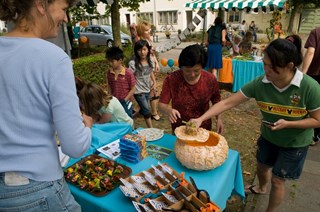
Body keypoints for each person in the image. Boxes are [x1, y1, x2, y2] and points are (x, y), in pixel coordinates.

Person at [190, 36, 320, 212]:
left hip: (294, 143)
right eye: (264, 63)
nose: (265, 69)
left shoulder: (309, 87)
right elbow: (228, 103)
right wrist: (200, 119)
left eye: (271, 66)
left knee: (278, 179)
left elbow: (317, 120)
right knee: (262, 167)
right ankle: (260, 187)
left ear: (290, 66)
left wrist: (289, 124)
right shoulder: (261, 83)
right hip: (269, 136)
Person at [0, 0, 93, 211]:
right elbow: (75, 146)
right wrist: (87, 125)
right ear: (41, 5)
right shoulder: (54, 58)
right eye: (64, 9)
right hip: (39, 189)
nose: (66, 18)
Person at [159, 44, 224, 134]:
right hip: (180, 129)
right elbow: (161, 105)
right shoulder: (172, 79)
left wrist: (219, 118)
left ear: (202, 67)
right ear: (181, 67)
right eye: (187, 71)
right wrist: (168, 110)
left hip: (203, 129)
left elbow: (217, 101)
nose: (192, 74)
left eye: (196, 71)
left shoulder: (210, 79)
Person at [136, 21, 161, 121]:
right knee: (152, 90)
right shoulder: (140, 43)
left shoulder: (149, 41)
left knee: (153, 90)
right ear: (142, 32)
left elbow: (152, 54)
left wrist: (156, 63)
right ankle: (151, 112)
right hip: (144, 70)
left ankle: (150, 111)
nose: (149, 31)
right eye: (146, 30)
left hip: (150, 67)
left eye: (149, 29)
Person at [129, 39, 156, 128]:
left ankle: (130, 117)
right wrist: (131, 90)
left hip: (147, 88)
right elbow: (129, 77)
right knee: (147, 110)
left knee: (142, 108)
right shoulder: (133, 63)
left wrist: (154, 83)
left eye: (144, 49)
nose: (142, 52)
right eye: (139, 50)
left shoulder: (151, 60)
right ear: (136, 51)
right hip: (138, 91)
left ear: (148, 50)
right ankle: (151, 129)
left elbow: (151, 72)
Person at [301, 28, 320, 146]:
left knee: (311, 104)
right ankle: (316, 135)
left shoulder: (316, 32)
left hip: (315, 75)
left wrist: (302, 73)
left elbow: (310, 52)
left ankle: (311, 134)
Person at [106, 46, 136, 118]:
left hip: (126, 102)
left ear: (120, 60)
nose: (110, 63)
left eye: (112, 61)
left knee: (128, 119)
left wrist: (125, 100)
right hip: (114, 102)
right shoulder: (109, 73)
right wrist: (109, 98)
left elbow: (133, 88)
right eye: (108, 61)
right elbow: (110, 86)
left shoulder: (128, 73)